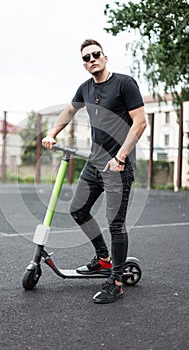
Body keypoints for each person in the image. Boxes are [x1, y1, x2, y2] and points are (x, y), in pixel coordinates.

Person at [42, 39, 146, 304]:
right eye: (86, 58)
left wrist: (120, 157)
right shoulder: (85, 88)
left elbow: (140, 123)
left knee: (115, 223)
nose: (91, 60)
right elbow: (69, 111)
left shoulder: (125, 83)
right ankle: (103, 258)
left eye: (95, 55)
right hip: (94, 163)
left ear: (105, 57)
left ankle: (117, 281)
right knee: (78, 209)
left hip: (117, 167)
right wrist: (53, 133)